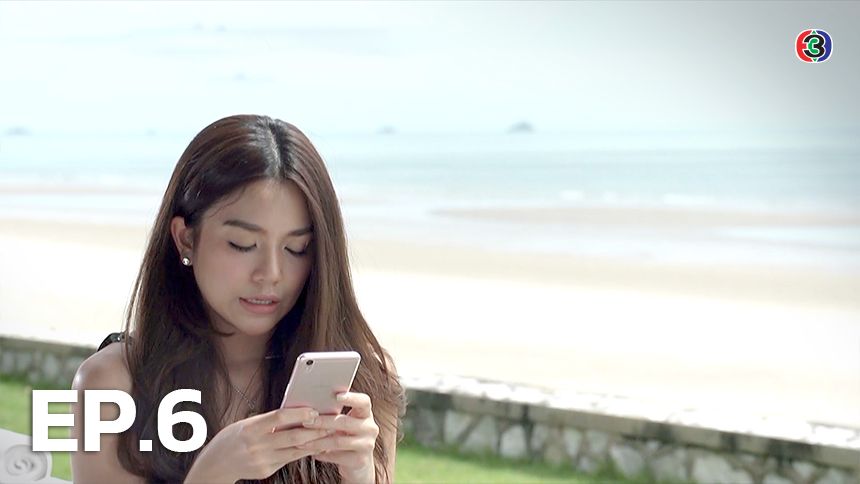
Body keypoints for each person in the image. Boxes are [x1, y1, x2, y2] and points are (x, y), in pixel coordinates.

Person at [70, 115, 406, 483]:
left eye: (297, 248)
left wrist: (361, 475)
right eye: (242, 245)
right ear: (185, 239)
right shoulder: (112, 387)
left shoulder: (365, 380)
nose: (271, 273)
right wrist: (211, 473)